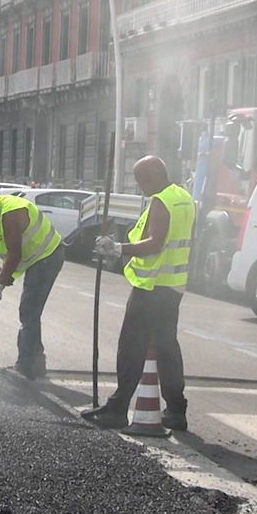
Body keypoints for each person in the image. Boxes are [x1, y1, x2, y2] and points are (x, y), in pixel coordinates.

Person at [81, 155, 196, 431]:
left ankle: (118, 408)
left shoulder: (161, 201)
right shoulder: (183, 197)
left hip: (151, 287)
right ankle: (177, 410)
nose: (139, 186)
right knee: (168, 346)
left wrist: (117, 248)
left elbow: (155, 244)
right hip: (173, 285)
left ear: (152, 176)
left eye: (140, 180)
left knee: (131, 346)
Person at [0, 186, 65, 379]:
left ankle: (27, 365)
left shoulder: (11, 213)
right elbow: (7, 253)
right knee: (30, 312)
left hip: (47, 256)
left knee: (29, 311)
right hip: (34, 260)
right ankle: (37, 363)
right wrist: (7, 277)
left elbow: (14, 254)